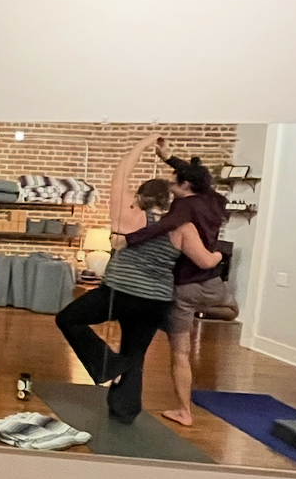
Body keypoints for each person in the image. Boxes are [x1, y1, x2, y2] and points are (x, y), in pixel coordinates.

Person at [55, 132, 223, 423]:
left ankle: (107, 365)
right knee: (134, 354)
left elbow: (120, 174)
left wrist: (144, 143)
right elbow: (206, 261)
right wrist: (220, 254)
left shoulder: (128, 216)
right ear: (169, 200)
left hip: (119, 293)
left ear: (139, 197)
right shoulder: (183, 227)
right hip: (155, 301)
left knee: (68, 319)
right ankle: (124, 412)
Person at [121, 142, 235, 428]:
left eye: (175, 181)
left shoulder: (183, 208)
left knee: (180, 353)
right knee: (230, 309)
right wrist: (169, 157)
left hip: (184, 288)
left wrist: (127, 240)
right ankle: (209, 310)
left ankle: (185, 411)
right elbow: (199, 177)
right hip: (213, 284)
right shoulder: (214, 200)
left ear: (185, 186)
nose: (171, 184)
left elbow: (160, 227)